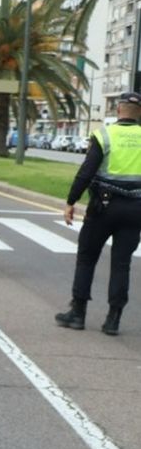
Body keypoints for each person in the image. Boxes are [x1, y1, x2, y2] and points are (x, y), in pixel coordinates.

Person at [55, 91, 141, 335]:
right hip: (135, 210)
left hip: (104, 208)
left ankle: (77, 313)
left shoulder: (104, 135)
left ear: (118, 111)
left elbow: (86, 172)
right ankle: (113, 319)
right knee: (122, 264)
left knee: (87, 257)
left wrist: (71, 201)